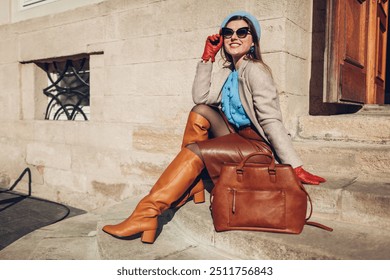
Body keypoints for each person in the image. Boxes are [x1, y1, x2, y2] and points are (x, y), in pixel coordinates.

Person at [102, 11, 326, 244]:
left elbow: (271, 120)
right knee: (199, 111)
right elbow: (200, 96)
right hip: (236, 136)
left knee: (195, 150)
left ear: (253, 40)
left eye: (242, 32)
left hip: (257, 147)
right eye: (228, 32)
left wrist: (295, 165)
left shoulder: (256, 71)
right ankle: (195, 184)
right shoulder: (229, 72)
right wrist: (207, 58)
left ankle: (146, 214)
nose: (234, 37)